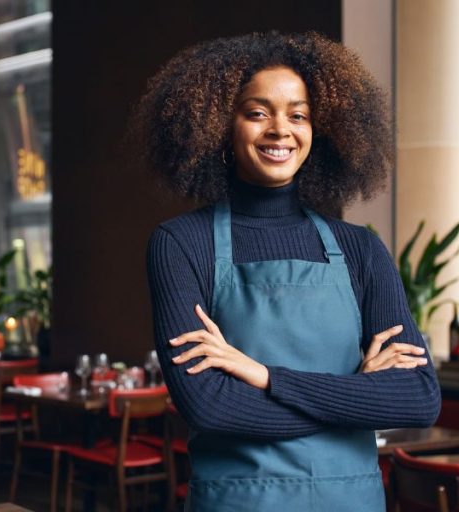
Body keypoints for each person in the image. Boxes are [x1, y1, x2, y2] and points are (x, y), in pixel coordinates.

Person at [136, 32, 441, 510]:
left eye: (298, 115)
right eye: (258, 113)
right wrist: (358, 396)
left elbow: (419, 400)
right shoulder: (181, 244)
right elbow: (209, 406)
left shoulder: (359, 249)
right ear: (220, 127)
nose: (281, 130)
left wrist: (263, 376)